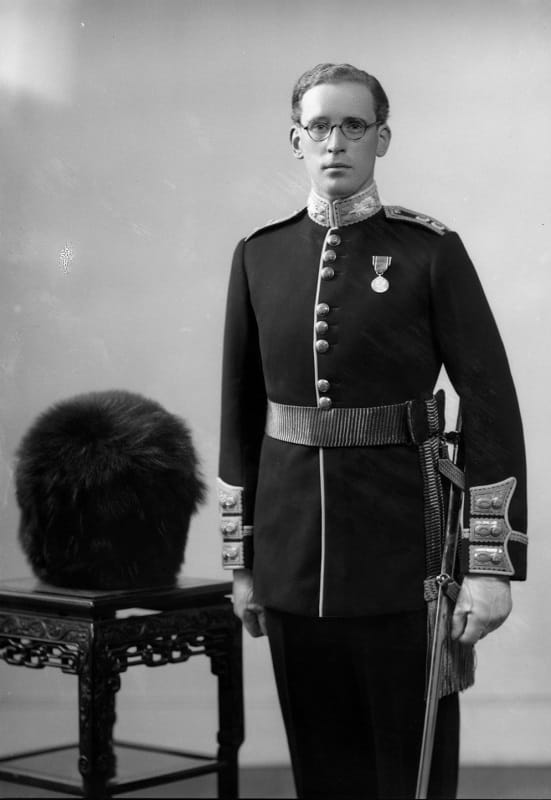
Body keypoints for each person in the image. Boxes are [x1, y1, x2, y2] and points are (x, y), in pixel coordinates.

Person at [217, 63, 527, 799]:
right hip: (293, 563)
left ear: (381, 138)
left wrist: (487, 565)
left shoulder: (429, 252)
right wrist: (242, 561)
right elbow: (238, 418)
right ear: (295, 138)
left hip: (405, 558)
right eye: (319, 126)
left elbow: (489, 408)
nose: (335, 142)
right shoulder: (259, 256)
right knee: (322, 773)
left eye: (353, 125)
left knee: (408, 775)